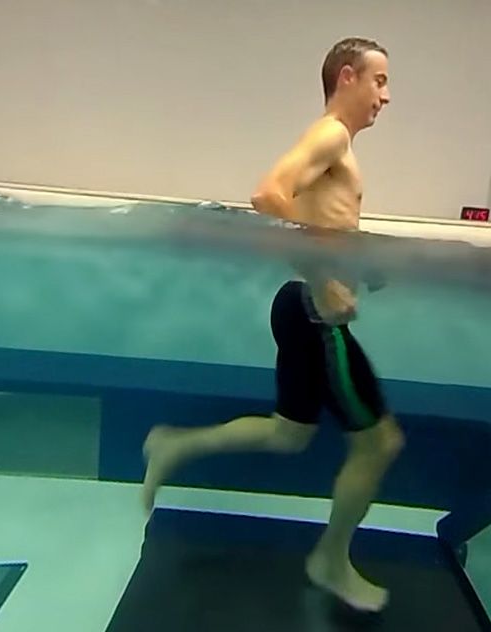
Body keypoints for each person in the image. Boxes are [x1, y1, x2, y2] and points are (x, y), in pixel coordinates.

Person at [140, 37, 403, 613]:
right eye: (379, 80)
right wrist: (325, 279)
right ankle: (330, 560)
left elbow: (318, 216)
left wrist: (363, 267)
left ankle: (173, 445)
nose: (387, 94)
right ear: (348, 78)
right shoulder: (331, 133)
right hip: (314, 312)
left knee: (290, 432)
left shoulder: (340, 146)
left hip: (298, 304)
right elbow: (268, 195)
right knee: (380, 443)